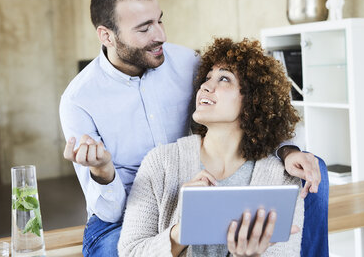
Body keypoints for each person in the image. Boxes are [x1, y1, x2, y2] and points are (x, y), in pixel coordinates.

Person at [59, 0, 329, 257]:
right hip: (122, 216)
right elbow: (108, 210)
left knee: (311, 168)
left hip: (197, 183)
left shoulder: (188, 63)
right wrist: (103, 172)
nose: (160, 35)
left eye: (159, 21)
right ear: (107, 36)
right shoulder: (78, 101)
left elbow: (256, 109)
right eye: (144, 29)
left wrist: (287, 150)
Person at [115, 37, 303, 256]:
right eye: (207, 78)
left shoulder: (281, 178)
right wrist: (180, 231)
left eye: (224, 79)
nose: (205, 86)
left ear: (253, 101)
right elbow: (130, 252)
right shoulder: (161, 163)